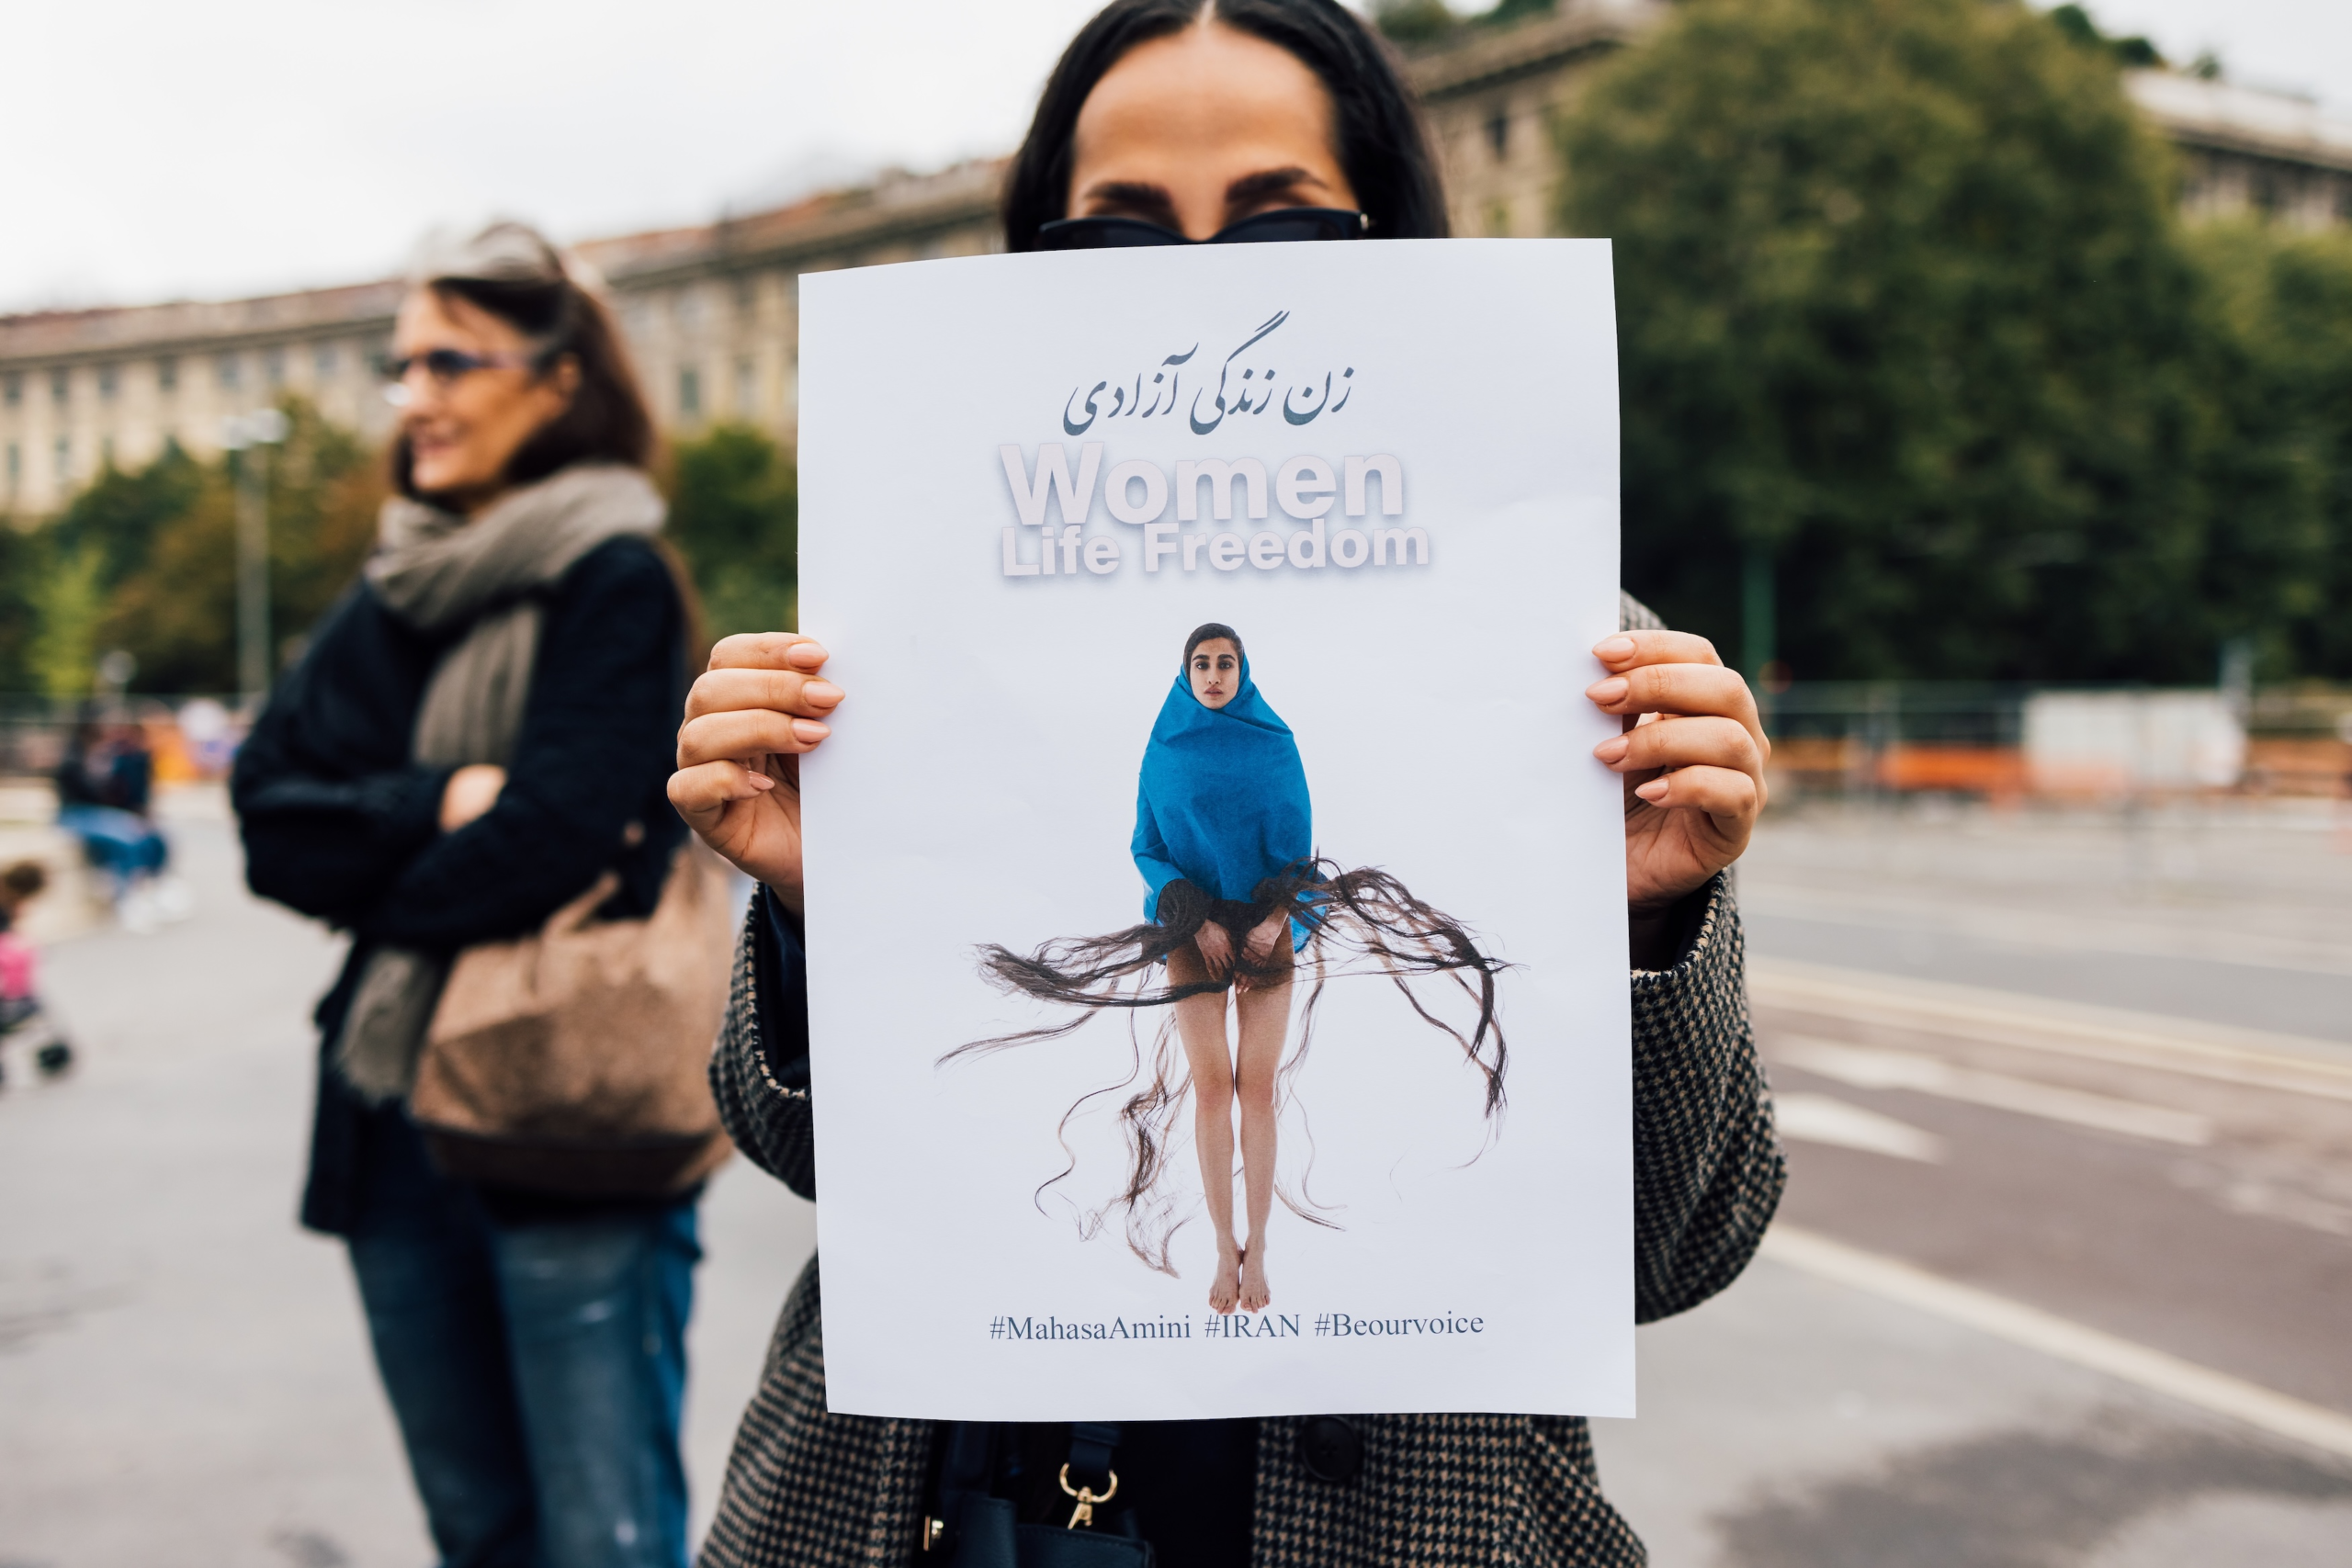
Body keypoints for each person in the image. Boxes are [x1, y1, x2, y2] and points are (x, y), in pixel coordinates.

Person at [676, 4, 1781, 1563]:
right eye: (1115, 236)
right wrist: (813, 898)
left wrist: (1652, 924)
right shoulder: (893, 646)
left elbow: (1678, 1248)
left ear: (1391, 241)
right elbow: (803, 1159)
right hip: (931, 1509)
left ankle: (1246, 1248)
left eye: (1283, 224)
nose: (1202, 282)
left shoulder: (1579, 671)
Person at [232, 221, 701, 1568]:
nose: (415, 396)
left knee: (603, 1537)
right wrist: (434, 800)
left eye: (451, 359)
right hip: (388, 1126)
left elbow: (557, 833)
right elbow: (268, 814)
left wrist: (374, 847)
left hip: (566, 1112)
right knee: (477, 1530)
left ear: (558, 378)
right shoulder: (399, 582)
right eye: (400, 366)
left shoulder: (616, 575)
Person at [952, 622, 1507, 1314]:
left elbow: (1297, 850)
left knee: (1259, 1088)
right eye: (1202, 664)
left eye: (1226, 663)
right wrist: (1202, 921)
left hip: (1268, 923)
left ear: (1244, 671)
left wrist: (1274, 924)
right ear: (1185, 674)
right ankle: (1223, 1244)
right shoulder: (1165, 747)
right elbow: (1146, 846)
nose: (1215, 675)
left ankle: (1262, 1245)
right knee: (1213, 1088)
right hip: (1190, 922)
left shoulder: (1275, 744)